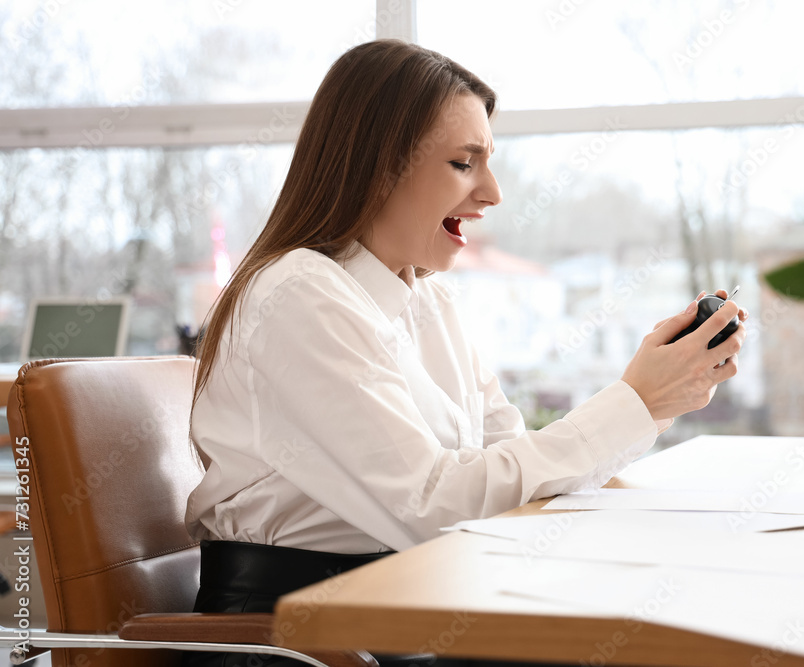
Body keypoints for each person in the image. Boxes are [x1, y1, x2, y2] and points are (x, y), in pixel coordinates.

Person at [183, 39, 747, 667]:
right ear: (378, 166)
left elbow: (512, 470)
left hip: (405, 611)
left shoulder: (431, 303)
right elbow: (434, 508)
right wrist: (634, 401)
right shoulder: (299, 296)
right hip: (294, 639)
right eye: (463, 162)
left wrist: (657, 401)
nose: (493, 192)